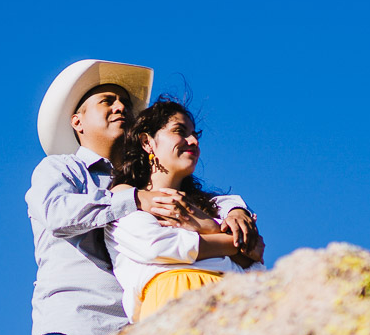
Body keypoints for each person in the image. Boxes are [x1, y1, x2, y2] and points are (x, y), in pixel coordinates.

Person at [26, 60, 258, 335]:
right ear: (77, 121)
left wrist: (235, 209)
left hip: (136, 328)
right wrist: (134, 200)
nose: (121, 106)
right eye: (107, 101)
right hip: (78, 323)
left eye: (123, 102)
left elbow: (198, 199)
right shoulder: (61, 169)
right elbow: (59, 215)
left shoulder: (140, 180)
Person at [106, 98, 266, 322]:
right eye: (179, 131)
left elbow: (255, 264)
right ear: (147, 142)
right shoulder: (124, 198)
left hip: (237, 304)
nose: (193, 141)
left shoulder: (220, 206)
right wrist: (223, 238)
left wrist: (208, 226)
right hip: (172, 297)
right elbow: (157, 246)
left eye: (195, 135)